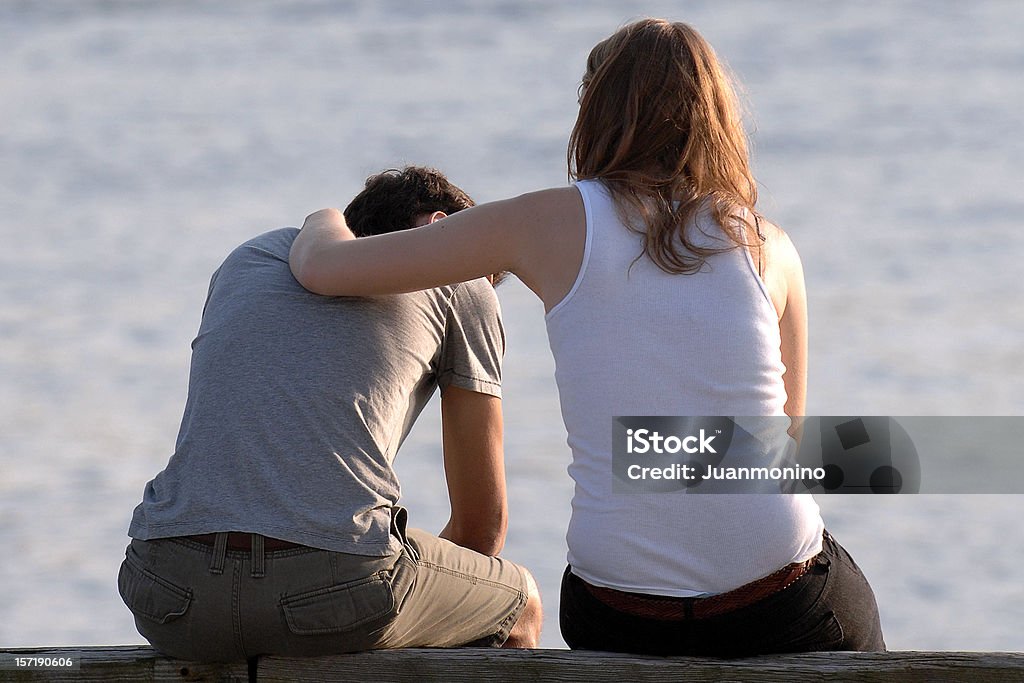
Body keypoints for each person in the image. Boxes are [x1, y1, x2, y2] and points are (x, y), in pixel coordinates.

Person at [288, 19, 885, 657]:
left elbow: (324, 270)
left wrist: (323, 217)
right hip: (775, 601)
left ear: (595, 112)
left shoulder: (544, 221)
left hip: (618, 608)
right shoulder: (770, 246)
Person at [118, 166, 542, 662]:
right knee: (519, 605)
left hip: (165, 585)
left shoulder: (248, 259)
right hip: (329, 587)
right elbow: (481, 531)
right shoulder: (461, 276)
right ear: (438, 226)